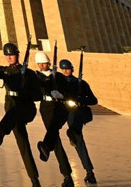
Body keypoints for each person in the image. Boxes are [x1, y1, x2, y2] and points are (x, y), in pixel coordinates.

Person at [0, 43, 43, 187]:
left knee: (16, 111)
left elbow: (39, 95)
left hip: (27, 108)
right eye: (7, 55)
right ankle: (34, 179)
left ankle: (0, 131)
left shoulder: (30, 73)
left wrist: (27, 93)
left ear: (17, 55)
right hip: (11, 110)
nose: (9, 57)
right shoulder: (5, 71)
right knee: (23, 143)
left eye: (11, 54)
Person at [33, 51, 74, 187]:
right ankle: (67, 175)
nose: (42, 66)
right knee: (55, 139)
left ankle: (45, 146)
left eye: (44, 63)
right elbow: (36, 92)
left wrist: (61, 95)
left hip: (60, 106)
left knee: (53, 130)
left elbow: (68, 91)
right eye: (40, 64)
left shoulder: (58, 76)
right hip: (46, 107)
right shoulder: (36, 77)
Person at [60, 59, 98, 185]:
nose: (66, 71)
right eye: (63, 69)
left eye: (68, 68)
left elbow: (93, 100)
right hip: (65, 111)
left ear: (72, 69)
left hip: (78, 112)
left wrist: (82, 100)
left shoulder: (81, 83)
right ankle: (72, 134)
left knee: (79, 141)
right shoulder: (59, 82)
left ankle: (89, 172)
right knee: (78, 141)